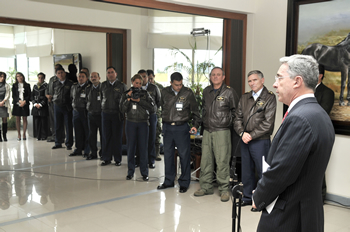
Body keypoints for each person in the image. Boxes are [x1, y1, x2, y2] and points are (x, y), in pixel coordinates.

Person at [252, 55, 335, 232]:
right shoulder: (319, 114)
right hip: (308, 211)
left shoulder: (299, 118)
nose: (275, 84)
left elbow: (281, 172)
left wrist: (258, 196)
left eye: (279, 78)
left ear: (297, 81)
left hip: (288, 216)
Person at [194, 67, 239, 202]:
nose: (215, 77)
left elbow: (236, 112)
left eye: (218, 75)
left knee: (222, 161)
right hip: (207, 130)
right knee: (206, 160)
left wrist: (226, 122)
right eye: (213, 74)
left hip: (222, 131)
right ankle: (205, 187)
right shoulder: (206, 91)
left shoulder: (229, 92)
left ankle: (224, 189)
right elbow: (204, 110)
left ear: (223, 77)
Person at [233, 70, 276, 211]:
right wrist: (241, 133)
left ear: (262, 80)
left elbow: (268, 124)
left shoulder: (269, 98)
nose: (252, 83)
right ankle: (247, 198)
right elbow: (237, 118)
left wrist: (251, 135)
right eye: (249, 81)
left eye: (255, 80)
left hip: (260, 141)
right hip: (245, 140)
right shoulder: (245, 97)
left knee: (263, 172)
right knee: (246, 171)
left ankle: (261, 201)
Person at [157, 72, 201, 193]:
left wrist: (195, 125)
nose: (179, 87)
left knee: (184, 155)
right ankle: (168, 181)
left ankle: (184, 182)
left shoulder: (188, 92)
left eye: (181, 84)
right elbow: (159, 106)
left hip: (182, 127)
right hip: (167, 127)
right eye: (176, 85)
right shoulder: (164, 92)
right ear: (171, 83)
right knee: (168, 155)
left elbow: (196, 112)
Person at [120, 74, 155, 181]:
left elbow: (152, 107)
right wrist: (128, 99)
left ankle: (144, 173)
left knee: (143, 148)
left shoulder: (145, 94)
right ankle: (130, 172)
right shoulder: (126, 94)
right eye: (136, 83)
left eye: (140, 83)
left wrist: (140, 101)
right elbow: (122, 109)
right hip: (131, 123)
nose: (138, 85)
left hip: (143, 124)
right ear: (132, 82)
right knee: (131, 148)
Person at [315, 64, 335, 203]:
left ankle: (320, 197)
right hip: (303, 132)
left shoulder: (327, 92)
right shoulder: (305, 90)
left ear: (320, 75)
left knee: (318, 164)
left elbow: (323, 112)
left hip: (319, 132)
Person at [100, 66, 127, 166]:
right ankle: (106, 158)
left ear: (116, 74)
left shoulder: (122, 86)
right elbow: (101, 98)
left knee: (117, 137)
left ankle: (117, 159)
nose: (110, 74)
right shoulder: (103, 85)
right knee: (106, 136)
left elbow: (125, 100)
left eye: (112, 72)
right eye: (108, 72)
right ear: (106, 75)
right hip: (106, 113)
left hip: (117, 114)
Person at [138, 69, 160, 168]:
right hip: (139, 116)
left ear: (148, 77)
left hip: (151, 115)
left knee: (151, 138)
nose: (143, 78)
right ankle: (139, 160)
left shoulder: (154, 88)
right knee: (140, 139)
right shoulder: (135, 87)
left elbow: (159, 101)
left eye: (144, 76)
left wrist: (153, 109)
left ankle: (151, 160)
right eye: (140, 76)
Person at [51, 67, 74, 150]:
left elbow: (72, 95)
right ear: (56, 75)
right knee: (58, 125)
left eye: (62, 72)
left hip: (67, 106)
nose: (60, 74)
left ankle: (69, 143)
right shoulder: (54, 83)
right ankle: (58, 142)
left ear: (65, 73)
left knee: (68, 125)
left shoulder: (70, 83)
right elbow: (52, 93)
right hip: (57, 105)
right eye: (58, 73)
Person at [69, 71, 90, 157]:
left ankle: (87, 150)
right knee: (77, 132)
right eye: (79, 76)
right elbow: (71, 97)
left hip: (85, 111)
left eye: (83, 77)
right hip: (76, 111)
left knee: (86, 132)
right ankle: (78, 149)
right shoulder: (74, 86)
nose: (80, 78)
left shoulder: (89, 87)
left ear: (86, 78)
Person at [147, 69, 163, 161]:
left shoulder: (159, 87)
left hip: (157, 114)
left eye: (151, 78)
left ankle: (157, 153)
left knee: (157, 134)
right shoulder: (144, 86)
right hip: (145, 115)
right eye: (148, 78)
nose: (149, 81)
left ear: (154, 77)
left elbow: (161, 101)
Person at [86, 72, 102, 160]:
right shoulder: (88, 88)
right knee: (92, 135)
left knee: (103, 135)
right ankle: (93, 153)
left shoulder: (103, 88)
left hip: (101, 114)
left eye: (95, 76)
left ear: (99, 78)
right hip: (91, 114)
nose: (93, 78)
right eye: (91, 77)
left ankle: (103, 153)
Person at [46, 64, 63, 142]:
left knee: (59, 121)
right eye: (55, 69)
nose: (56, 70)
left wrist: (52, 96)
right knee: (52, 120)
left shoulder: (62, 79)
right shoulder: (52, 79)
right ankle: (54, 135)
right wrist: (47, 95)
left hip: (58, 103)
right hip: (51, 103)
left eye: (58, 69)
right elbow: (47, 88)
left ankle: (60, 136)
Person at [12, 72, 31, 141]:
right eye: (17, 76)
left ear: (23, 76)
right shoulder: (14, 85)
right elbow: (14, 96)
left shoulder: (27, 85)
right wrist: (20, 101)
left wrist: (24, 101)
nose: (19, 77)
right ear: (16, 78)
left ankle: (24, 134)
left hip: (25, 103)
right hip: (17, 104)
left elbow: (29, 95)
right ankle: (19, 134)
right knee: (17, 119)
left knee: (25, 119)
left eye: (20, 76)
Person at [31, 72, 49, 141]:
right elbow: (32, 96)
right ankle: (38, 135)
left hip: (43, 106)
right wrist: (35, 104)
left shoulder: (46, 86)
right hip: (36, 106)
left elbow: (46, 96)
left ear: (44, 78)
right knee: (37, 122)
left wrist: (41, 104)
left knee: (43, 122)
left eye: (42, 78)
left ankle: (44, 135)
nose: (40, 79)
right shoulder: (35, 86)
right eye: (39, 77)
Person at [0, 72, 11, 142]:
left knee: (4, 120)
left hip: (4, 104)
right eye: (1, 76)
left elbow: (8, 94)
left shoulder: (7, 85)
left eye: (3, 77)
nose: (2, 78)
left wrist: (3, 101)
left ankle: (4, 135)